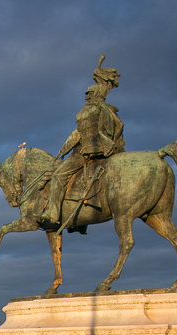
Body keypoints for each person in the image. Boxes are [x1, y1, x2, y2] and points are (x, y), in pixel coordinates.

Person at [40, 55, 125, 229]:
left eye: (90, 94)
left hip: (86, 151)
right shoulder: (103, 110)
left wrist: (65, 148)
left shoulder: (90, 111)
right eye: (86, 94)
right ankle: (80, 222)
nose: (87, 96)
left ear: (97, 94)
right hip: (93, 149)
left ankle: (53, 213)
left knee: (58, 176)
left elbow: (78, 134)